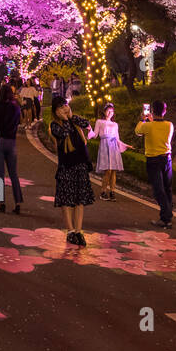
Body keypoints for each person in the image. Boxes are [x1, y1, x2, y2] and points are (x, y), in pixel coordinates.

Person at [50, 97, 94, 245]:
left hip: (80, 165)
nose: (65, 108)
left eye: (66, 105)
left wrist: (71, 116)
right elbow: (64, 133)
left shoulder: (74, 121)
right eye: (61, 107)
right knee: (67, 201)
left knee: (79, 200)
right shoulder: (55, 125)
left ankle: (78, 231)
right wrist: (66, 119)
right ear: (55, 111)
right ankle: (70, 231)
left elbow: (87, 124)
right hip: (67, 167)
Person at [135, 101, 174, 228]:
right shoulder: (170, 125)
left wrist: (143, 120)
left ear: (152, 111)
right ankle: (168, 216)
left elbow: (137, 131)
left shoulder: (148, 126)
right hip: (167, 159)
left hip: (153, 160)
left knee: (158, 190)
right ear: (165, 111)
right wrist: (151, 121)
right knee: (167, 188)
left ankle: (166, 217)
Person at [0, 84, 24, 214]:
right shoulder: (16, 108)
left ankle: (1, 203)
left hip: (1, 141)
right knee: (14, 174)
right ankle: (18, 202)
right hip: (12, 142)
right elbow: (18, 123)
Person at [93, 102, 128, 200]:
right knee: (107, 170)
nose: (110, 113)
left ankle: (112, 192)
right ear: (104, 111)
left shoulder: (115, 124)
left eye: (112, 111)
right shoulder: (99, 122)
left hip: (113, 147)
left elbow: (117, 138)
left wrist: (125, 145)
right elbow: (95, 135)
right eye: (108, 111)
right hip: (104, 145)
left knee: (113, 171)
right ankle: (103, 191)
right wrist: (89, 132)